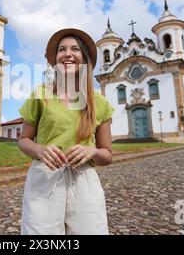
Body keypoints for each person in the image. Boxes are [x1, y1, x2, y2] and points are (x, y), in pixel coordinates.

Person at [17, 28, 114, 235]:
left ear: (84, 59)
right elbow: (24, 139)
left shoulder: (100, 103)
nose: (67, 53)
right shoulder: (40, 94)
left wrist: (93, 152)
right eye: (62, 49)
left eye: (75, 49)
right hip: (44, 178)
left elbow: (107, 155)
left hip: (84, 181)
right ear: (56, 60)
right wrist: (40, 150)